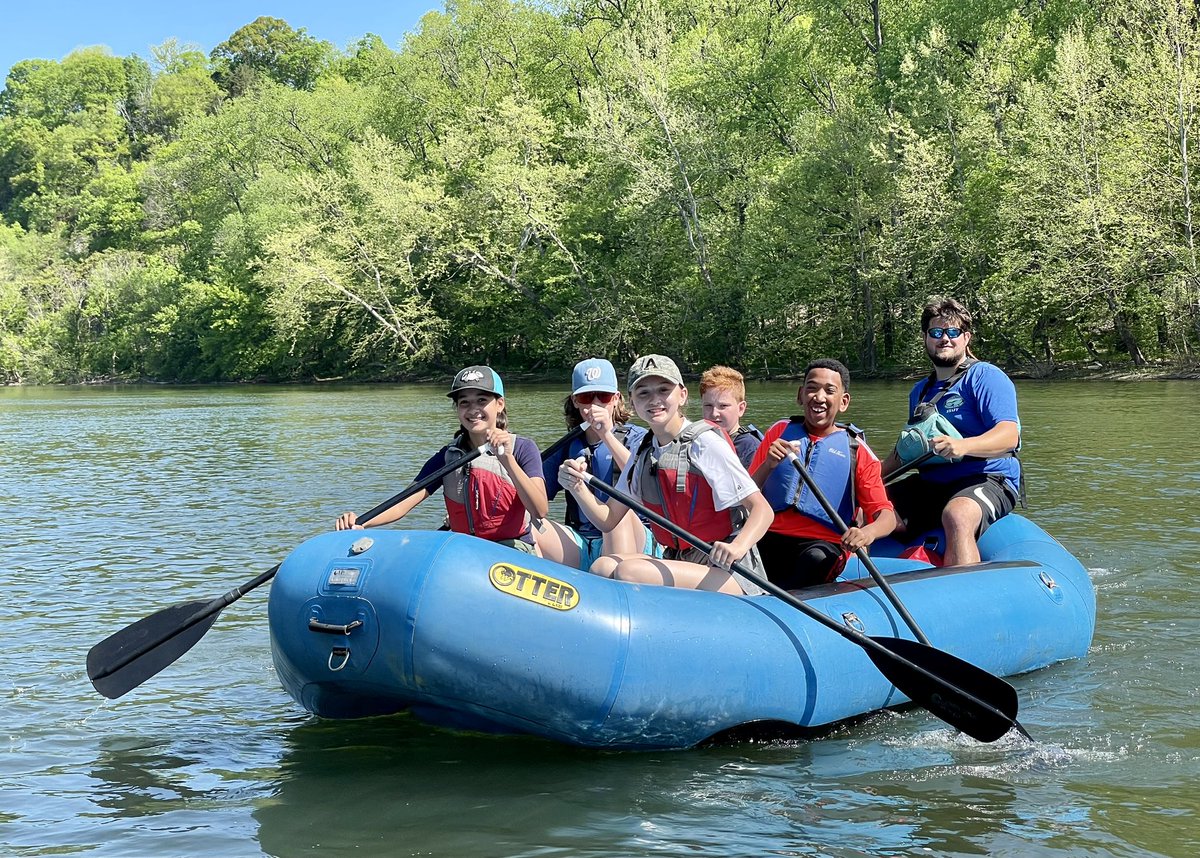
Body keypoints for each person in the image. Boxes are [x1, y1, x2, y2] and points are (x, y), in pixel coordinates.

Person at [559, 354, 774, 595]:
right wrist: (577, 487)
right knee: (602, 566)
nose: (655, 400)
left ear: (682, 395)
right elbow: (607, 519)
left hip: (731, 571)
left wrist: (737, 546)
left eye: (664, 390)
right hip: (683, 562)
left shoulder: (705, 443)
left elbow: (762, 511)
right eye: (643, 393)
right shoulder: (643, 453)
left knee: (628, 572)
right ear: (631, 401)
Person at [335, 365, 548, 552]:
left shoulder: (523, 448)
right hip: (465, 548)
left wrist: (507, 460)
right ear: (457, 409)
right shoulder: (448, 456)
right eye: (464, 403)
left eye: (481, 401)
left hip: (512, 548)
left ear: (499, 404)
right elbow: (402, 503)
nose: (473, 410)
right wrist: (361, 522)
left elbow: (540, 510)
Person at [880, 297, 1022, 566]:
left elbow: (1008, 436)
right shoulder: (919, 391)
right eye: (936, 332)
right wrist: (867, 481)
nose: (944, 338)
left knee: (957, 515)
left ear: (966, 337)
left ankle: (963, 592)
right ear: (925, 338)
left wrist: (963, 446)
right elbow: (908, 452)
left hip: (987, 477)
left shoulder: (985, 377)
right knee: (870, 507)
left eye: (953, 332)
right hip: (932, 483)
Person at [749, 359, 898, 589]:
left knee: (814, 560)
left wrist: (866, 533)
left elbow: (885, 516)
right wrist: (768, 464)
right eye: (811, 388)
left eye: (829, 391)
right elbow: (747, 493)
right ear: (800, 395)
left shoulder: (856, 450)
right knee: (742, 552)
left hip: (821, 545)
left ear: (843, 401)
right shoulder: (779, 432)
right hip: (767, 535)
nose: (818, 397)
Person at [538, 358, 659, 569]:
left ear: (616, 399)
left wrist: (605, 434)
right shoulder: (567, 445)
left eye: (603, 396)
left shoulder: (639, 438)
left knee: (619, 513)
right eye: (586, 397)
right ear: (575, 401)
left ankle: (619, 586)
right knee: (530, 524)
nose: (595, 405)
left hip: (633, 538)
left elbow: (640, 476)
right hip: (581, 539)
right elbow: (535, 495)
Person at [700, 365, 764, 468]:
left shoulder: (749, 448)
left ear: (741, 409)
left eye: (723, 406)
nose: (714, 413)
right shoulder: (699, 442)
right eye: (708, 405)